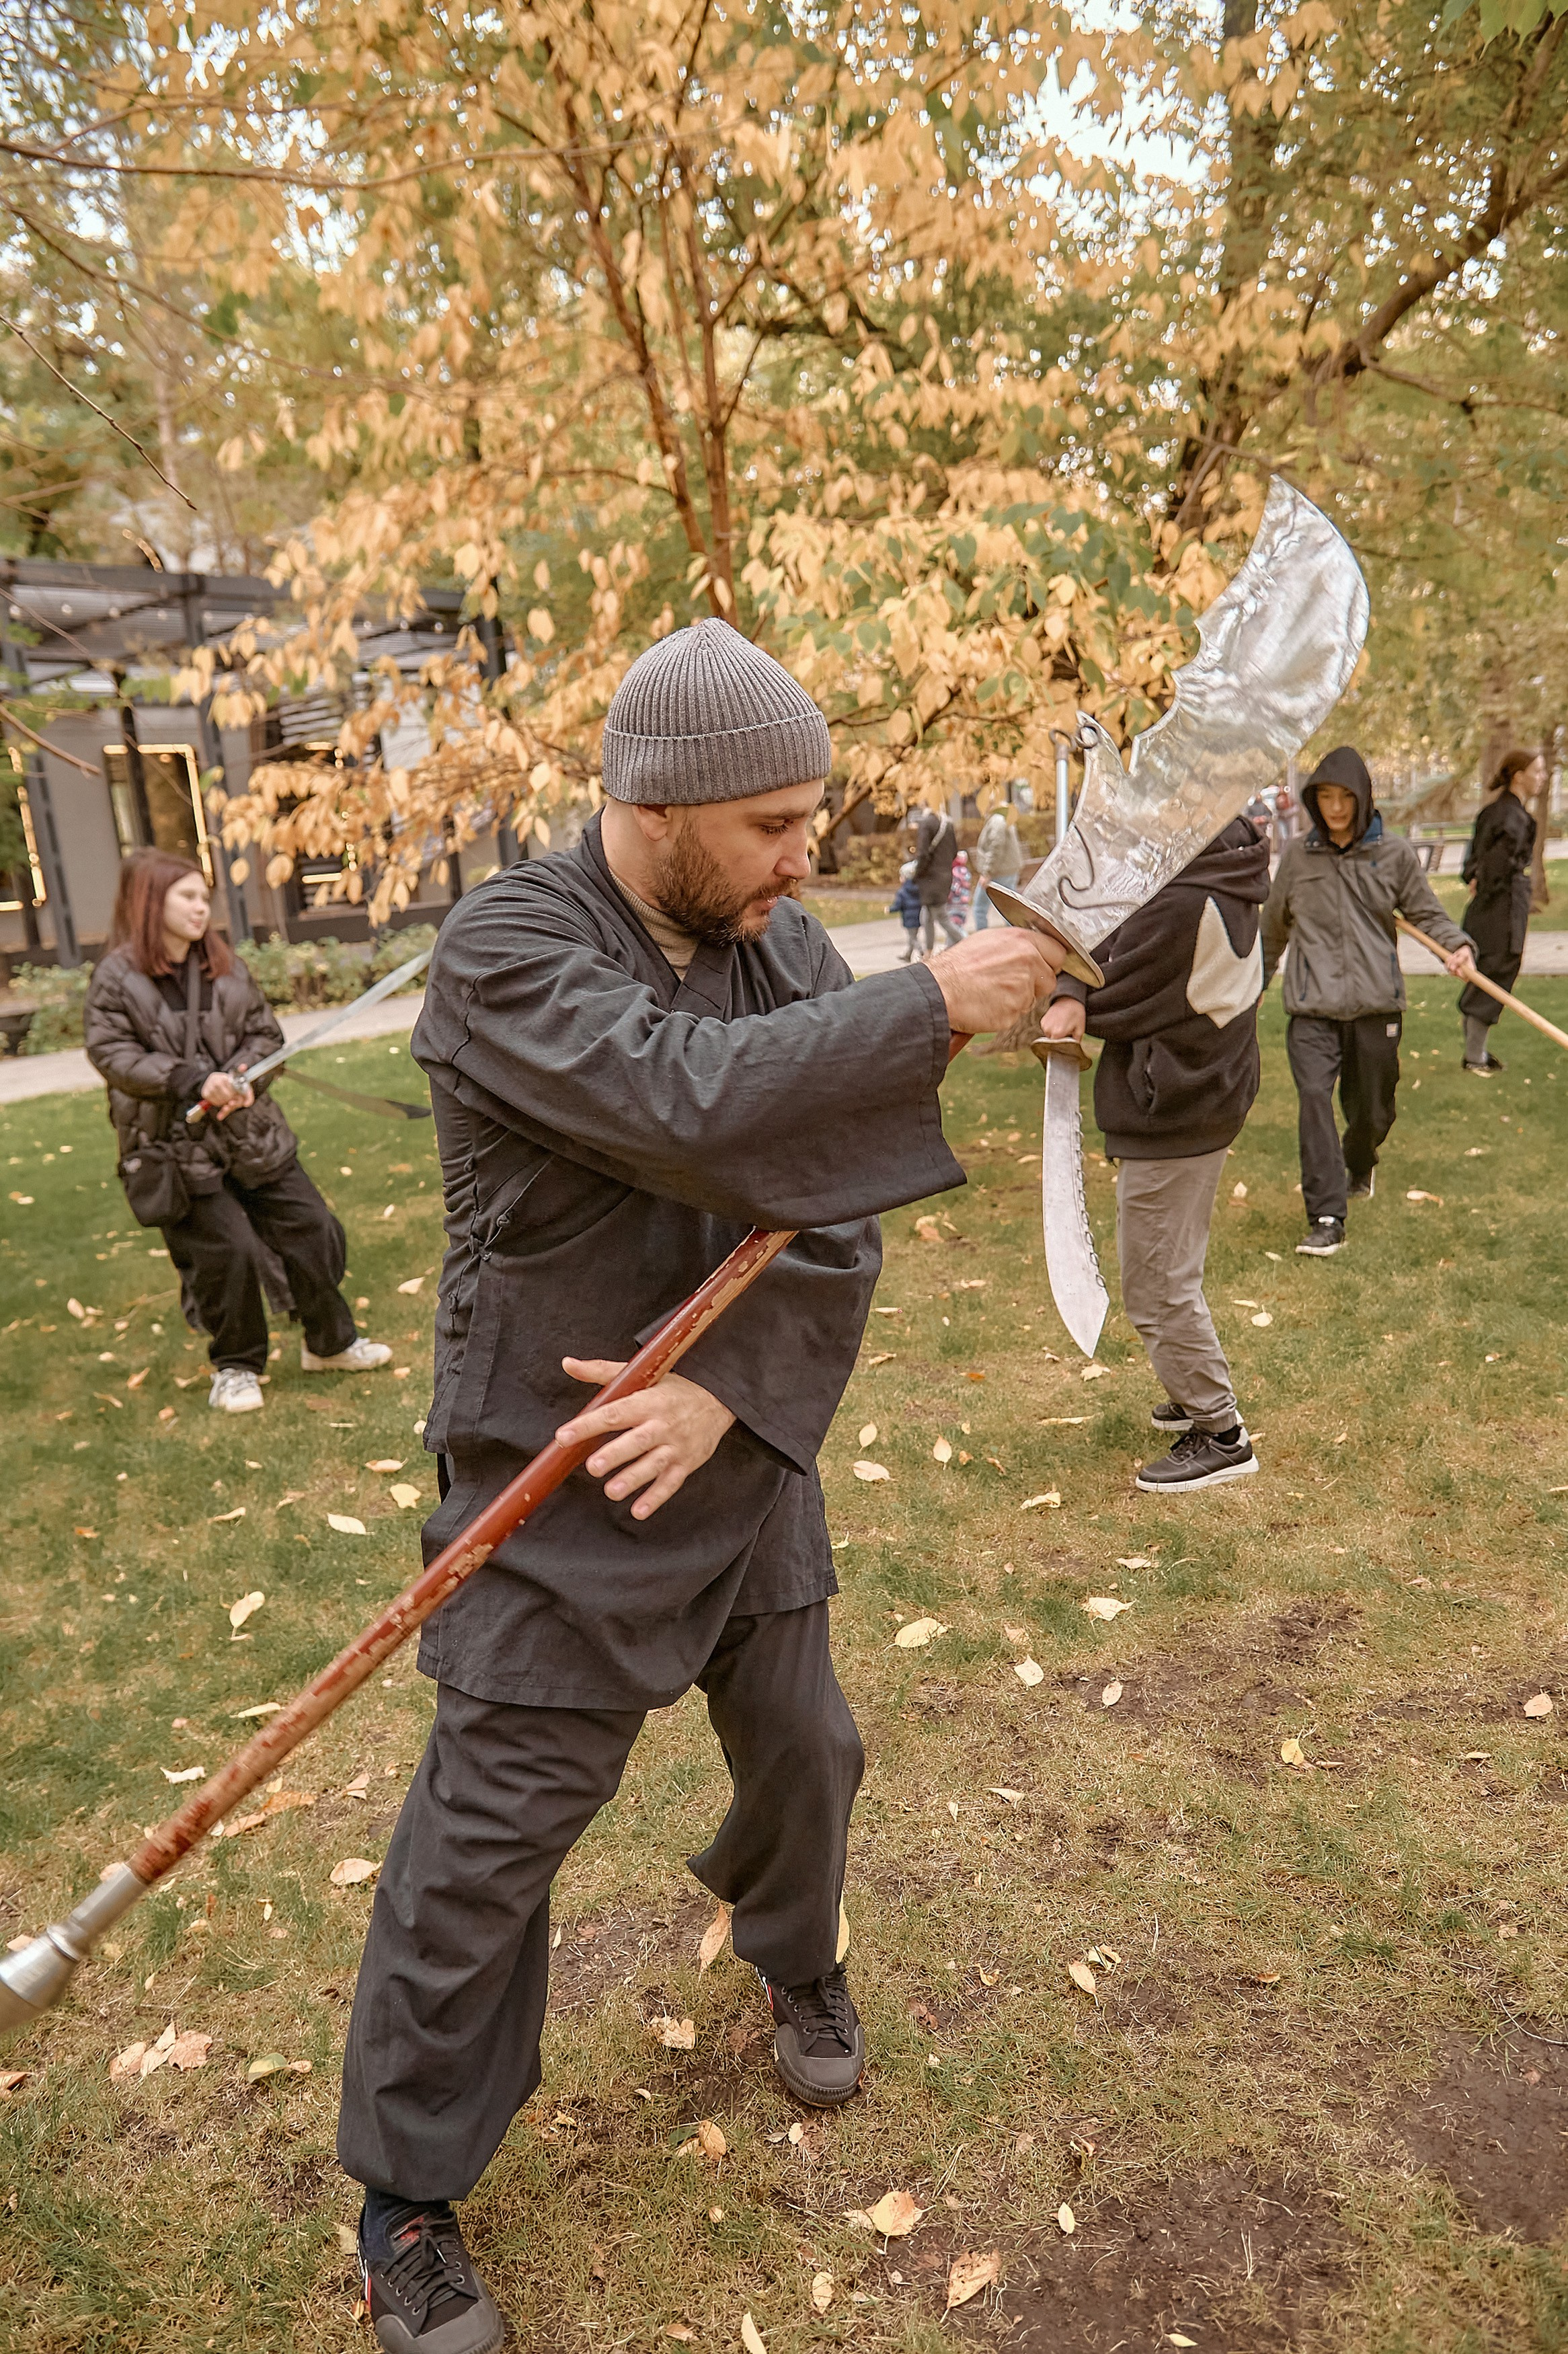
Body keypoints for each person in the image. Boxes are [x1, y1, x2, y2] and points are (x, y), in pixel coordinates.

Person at [334, 617, 1060, 2354]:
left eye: (811, 818)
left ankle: (792, 1950)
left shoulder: (782, 939)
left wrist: (727, 1394)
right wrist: (920, 1007)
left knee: (809, 1746)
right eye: (770, 823)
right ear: (653, 805)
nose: (803, 856)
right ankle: (406, 2192)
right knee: (486, 1844)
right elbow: (691, 1107)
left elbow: (828, 1209)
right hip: (556, 1465)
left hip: (728, 1455)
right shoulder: (510, 947)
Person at [83, 849, 391, 1413]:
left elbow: (264, 1035)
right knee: (228, 1252)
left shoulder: (225, 965)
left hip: (250, 1131)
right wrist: (189, 1080)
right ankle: (236, 1366)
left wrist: (249, 1075)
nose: (202, 908)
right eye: (188, 896)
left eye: (205, 897)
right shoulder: (116, 977)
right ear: (152, 901)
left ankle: (330, 1343)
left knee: (313, 1227)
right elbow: (111, 1052)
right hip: (174, 1147)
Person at [1040, 817, 1269, 1492]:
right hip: (1202, 1099)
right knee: (1174, 1267)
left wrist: (1067, 991)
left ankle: (1220, 1432)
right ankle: (1189, 1383)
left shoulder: (1184, 901)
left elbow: (1114, 982)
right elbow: (1111, 945)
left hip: (1178, 1110)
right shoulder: (1230, 880)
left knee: (1154, 1285)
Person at [1261, 747, 1477, 1256]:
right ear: (1315, 801)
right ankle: (1327, 1215)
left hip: (1376, 1005)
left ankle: (1361, 1161)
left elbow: (1427, 912)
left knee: (1371, 1112)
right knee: (1314, 1102)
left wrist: (1458, 945)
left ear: (1363, 799)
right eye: (1326, 798)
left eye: (1345, 798)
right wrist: (1247, 989)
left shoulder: (1393, 854)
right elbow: (1272, 932)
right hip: (1312, 1009)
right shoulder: (1297, 856)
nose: (1335, 808)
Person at [1458, 747, 1542, 1075]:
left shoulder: (1493, 812)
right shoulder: (1513, 818)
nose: (1542, 778)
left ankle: (1475, 1052)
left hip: (1488, 907)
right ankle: (1474, 1057)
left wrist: (1477, 881)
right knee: (1495, 971)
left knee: (1485, 972)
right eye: (1538, 772)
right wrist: (1488, 886)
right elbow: (1494, 865)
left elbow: (1473, 864)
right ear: (1519, 776)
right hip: (1501, 909)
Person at [909, 799, 960, 956]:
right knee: (928, 916)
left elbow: (923, 854)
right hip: (945, 875)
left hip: (930, 878)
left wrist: (917, 874)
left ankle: (966, 943)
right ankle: (928, 953)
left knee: (942, 917)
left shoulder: (926, 824)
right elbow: (954, 852)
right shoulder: (948, 823)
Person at [972, 797, 1024, 929]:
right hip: (1007, 869)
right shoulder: (1004, 818)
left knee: (979, 908)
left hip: (998, 872)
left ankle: (983, 940)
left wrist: (987, 873)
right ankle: (1015, 938)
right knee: (1008, 909)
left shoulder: (997, 821)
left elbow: (996, 847)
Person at [888, 871, 923, 961]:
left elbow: (898, 905)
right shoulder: (919, 888)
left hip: (909, 918)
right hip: (918, 917)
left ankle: (922, 951)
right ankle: (908, 955)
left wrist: (890, 910)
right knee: (913, 936)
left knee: (913, 938)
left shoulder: (902, 891)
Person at [947, 847, 973, 935]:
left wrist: (947, 896)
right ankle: (950, 944)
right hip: (964, 904)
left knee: (954, 927)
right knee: (958, 925)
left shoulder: (955, 872)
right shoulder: (966, 872)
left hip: (954, 904)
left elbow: (954, 888)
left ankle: (965, 939)